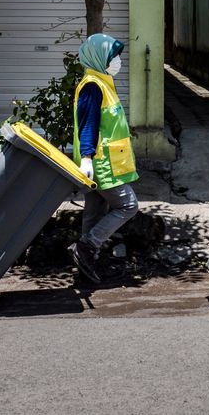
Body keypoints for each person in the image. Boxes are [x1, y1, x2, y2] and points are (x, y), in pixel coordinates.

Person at [69, 33, 139, 284]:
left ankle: (87, 267)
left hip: (102, 161)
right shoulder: (92, 86)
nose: (117, 60)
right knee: (128, 205)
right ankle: (87, 246)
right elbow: (88, 125)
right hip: (100, 163)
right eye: (113, 56)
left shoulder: (102, 82)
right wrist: (86, 157)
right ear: (99, 58)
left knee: (95, 211)